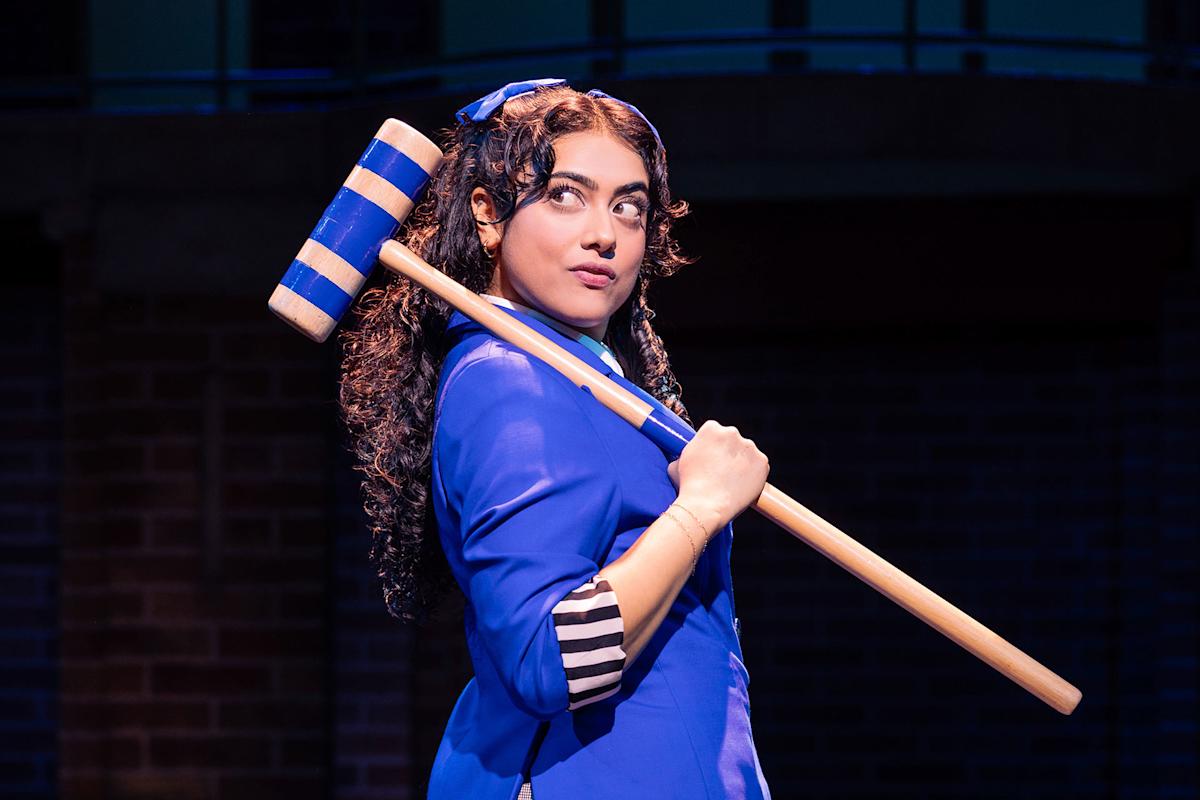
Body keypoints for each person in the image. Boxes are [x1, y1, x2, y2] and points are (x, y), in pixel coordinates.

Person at [339, 78, 772, 799]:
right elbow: (552, 657)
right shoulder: (507, 383)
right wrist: (698, 511)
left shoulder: (582, 379)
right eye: (566, 195)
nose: (603, 232)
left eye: (628, 206)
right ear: (487, 214)